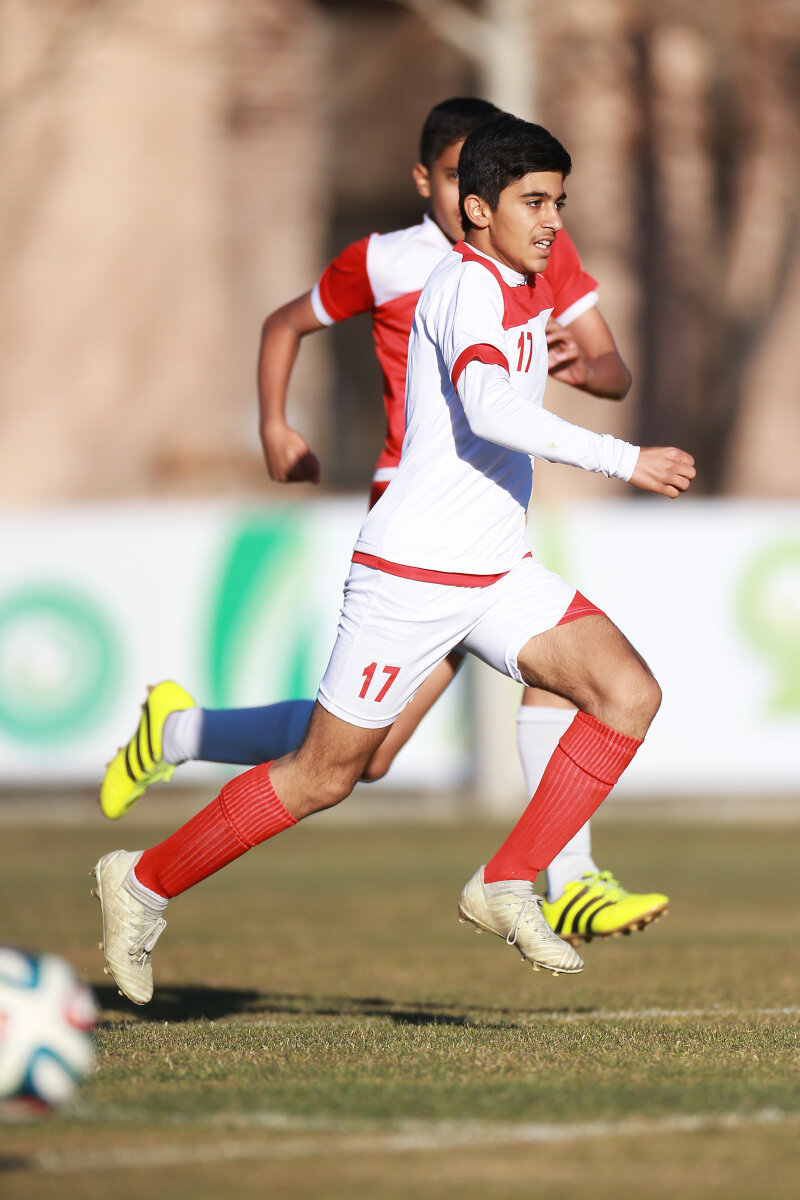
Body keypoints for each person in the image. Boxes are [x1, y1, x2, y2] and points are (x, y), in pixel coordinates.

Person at [92, 114, 695, 1005]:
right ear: (478, 209)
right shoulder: (464, 286)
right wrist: (624, 459)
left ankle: (509, 881)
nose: (552, 220)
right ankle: (141, 882)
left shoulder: (522, 280)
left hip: (495, 570)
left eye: (559, 202)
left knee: (627, 694)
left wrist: (588, 370)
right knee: (327, 774)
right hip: (411, 576)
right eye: (534, 202)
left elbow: (597, 369)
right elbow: (489, 408)